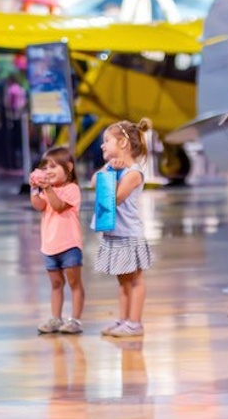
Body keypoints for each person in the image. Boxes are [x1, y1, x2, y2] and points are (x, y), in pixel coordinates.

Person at [92, 118, 154, 338]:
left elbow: (114, 199)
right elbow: (93, 181)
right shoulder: (111, 168)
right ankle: (124, 319)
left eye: (107, 140)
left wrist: (110, 175)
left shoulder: (133, 174)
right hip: (115, 233)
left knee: (135, 280)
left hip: (129, 235)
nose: (102, 145)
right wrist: (108, 169)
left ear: (123, 144)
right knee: (122, 281)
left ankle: (135, 323)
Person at [29, 146, 85, 335]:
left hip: (69, 245)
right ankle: (56, 318)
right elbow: (39, 206)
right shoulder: (48, 190)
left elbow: (59, 206)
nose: (48, 171)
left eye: (53, 166)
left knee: (74, 283)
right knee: (56, 284)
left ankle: (75, 320)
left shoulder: (72, 189)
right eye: (45, 167)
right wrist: (35, 189)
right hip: (50, 246)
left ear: (68, 167)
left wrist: (47, 188)